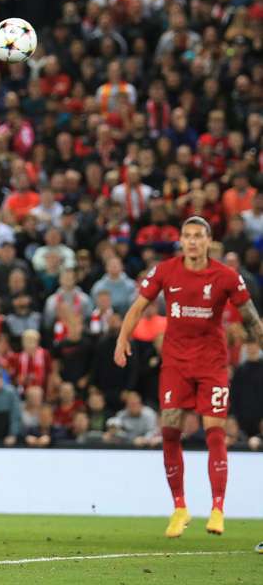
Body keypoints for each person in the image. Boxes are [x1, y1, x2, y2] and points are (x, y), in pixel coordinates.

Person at [115, 216, 263, 538]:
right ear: (180, 240)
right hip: (176, 364)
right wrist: (121, 338)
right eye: (187, 236)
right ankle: (180, 507)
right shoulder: (166, 270)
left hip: (211, 364)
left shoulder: (226, 276)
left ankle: (218, 508)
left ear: (209, 241)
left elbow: (250, 317)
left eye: (199, 236)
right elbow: (138, 306)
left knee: (214, 432)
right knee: (169, 431)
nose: (193, 241)